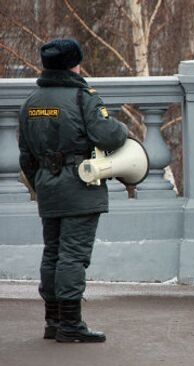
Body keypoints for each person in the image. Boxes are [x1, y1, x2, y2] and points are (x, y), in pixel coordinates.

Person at [18, 39, 129, 343]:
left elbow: (25, 156)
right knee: (73, 256)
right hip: (80, 185)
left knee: (52, 253)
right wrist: (123, 130)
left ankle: (53, 321)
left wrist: (41, 183)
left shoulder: (32, 102)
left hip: (47, 185)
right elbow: (109, 137)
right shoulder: (83, 98)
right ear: (74, 64)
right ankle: (71, 324)